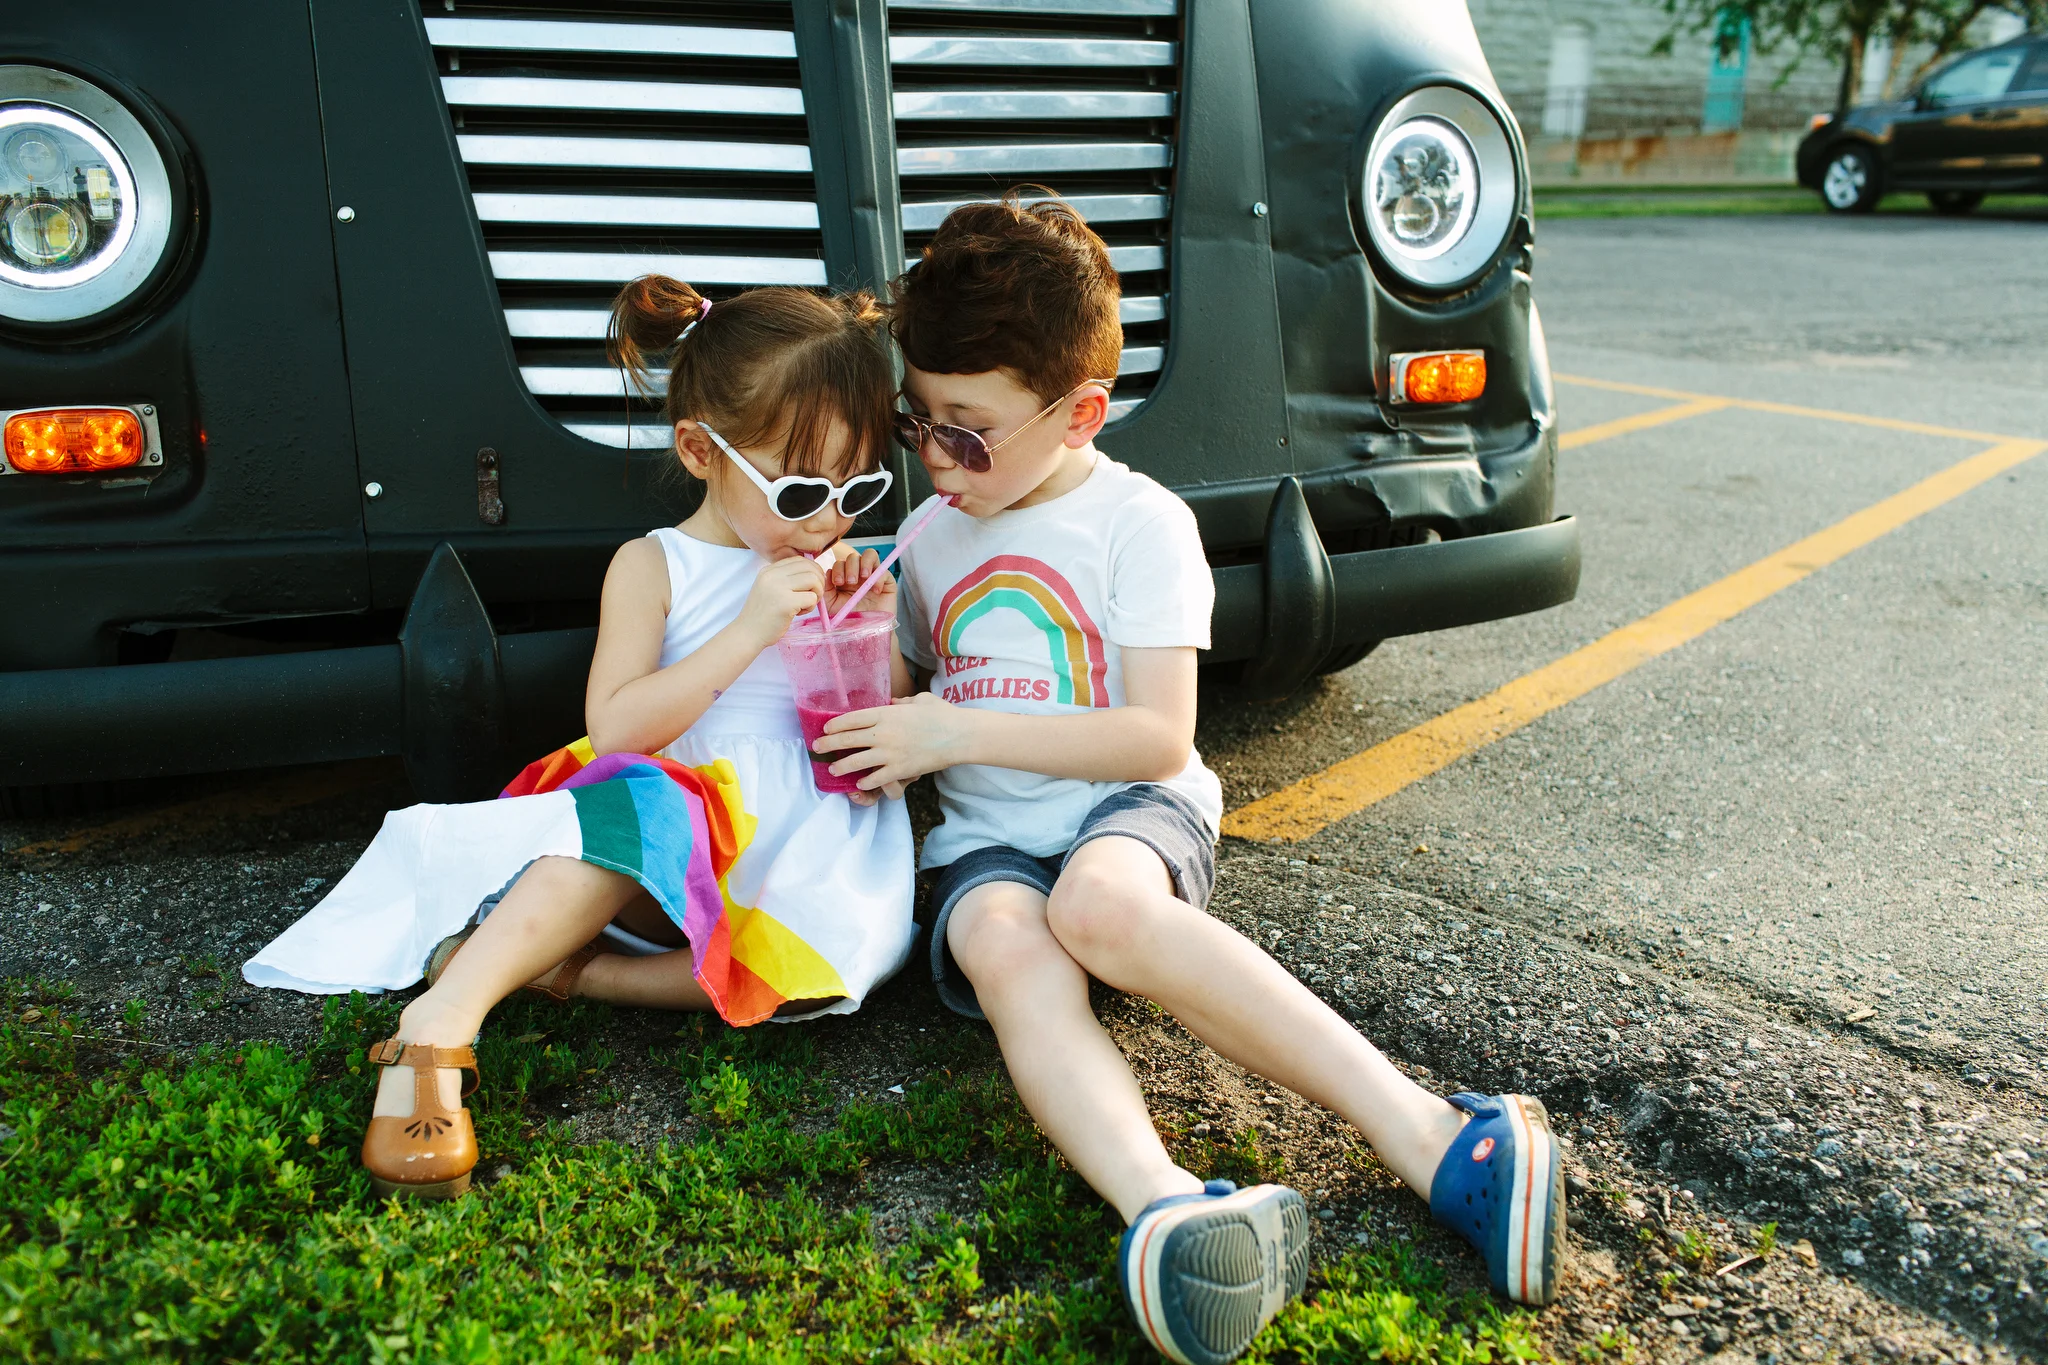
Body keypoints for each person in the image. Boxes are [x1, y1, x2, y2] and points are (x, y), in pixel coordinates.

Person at [812, 194, 1566, 1364]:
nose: (935, 459)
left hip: (1125, 809)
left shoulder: (1136, 525)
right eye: (920, 424)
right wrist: (853, 635)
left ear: (1080, 415)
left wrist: (946, 733)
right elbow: (912, 675)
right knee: (1007, 947)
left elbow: (1155, 739)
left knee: (1100, 907)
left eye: (968, 430)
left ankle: (1435, 1138)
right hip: (986, 840)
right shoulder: (939, 529)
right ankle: (1165, 1208)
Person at [243, 278, 918, 1201]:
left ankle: (571, 972)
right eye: (802, 488)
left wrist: (866, 634)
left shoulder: (829, 562)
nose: (830, 518)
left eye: (859, 486)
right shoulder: (655, 565)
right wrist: (750, 630)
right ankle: (440, 1024)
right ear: (700, 451)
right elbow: (618, 728)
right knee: (638, 806)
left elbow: (871, 723)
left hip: (795, 841)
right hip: (661, 837)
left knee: (838, 962)